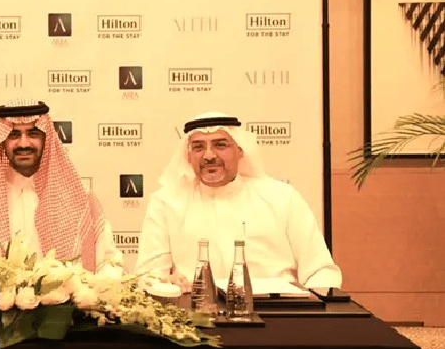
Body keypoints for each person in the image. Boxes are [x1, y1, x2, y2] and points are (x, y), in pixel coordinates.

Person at [135, 111, 341, 290]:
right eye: (198, 147)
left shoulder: (282, 197)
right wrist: (164, 284)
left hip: (277, 313)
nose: (209, 155)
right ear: (188, 156)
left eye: (220, 145)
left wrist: (311, 311)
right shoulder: (166, 203)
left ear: (240, 150)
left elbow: (321, 270)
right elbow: (148, 277)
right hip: (195, 314)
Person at [0, 98, 122, 274]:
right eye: (14, 135)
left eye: (33, 134)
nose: (23, 143)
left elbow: (109, 263)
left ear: (46, 139)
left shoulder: (79, 195)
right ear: (3, 142)